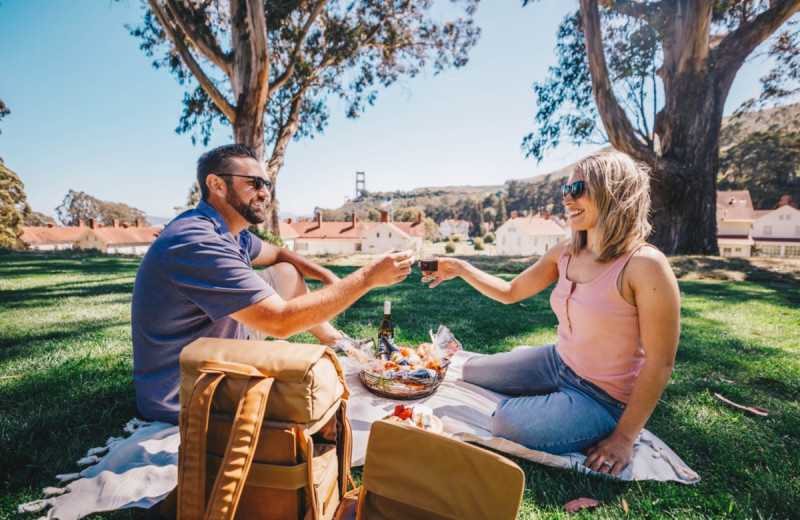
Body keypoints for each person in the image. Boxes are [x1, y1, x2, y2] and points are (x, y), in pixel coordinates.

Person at [422, 150, 680, 476]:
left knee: (506, 422)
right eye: (564, 191)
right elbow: (510, 292)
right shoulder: (565, 252)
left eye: (576, 190)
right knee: (471, 370)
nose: (566, 200)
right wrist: (460, 268)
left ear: (611, 190)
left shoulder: (645, 265)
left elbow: (661, 362)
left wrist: (624, 437)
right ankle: (550, 395)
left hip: (604, 399)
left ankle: (579, 417)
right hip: (558, 363)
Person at [131, 143, 414, 424]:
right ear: (216, 185)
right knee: (317, 392)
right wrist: (366, 278)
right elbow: (280, 323)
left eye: (266, 183)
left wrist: (325, 274)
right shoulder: (198, 240)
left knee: (287, 272)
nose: (265, 192)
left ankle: (337, 342)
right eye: (254, 183)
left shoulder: (230, 231)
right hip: (184, 391)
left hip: (217, 346)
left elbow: (279, 254)